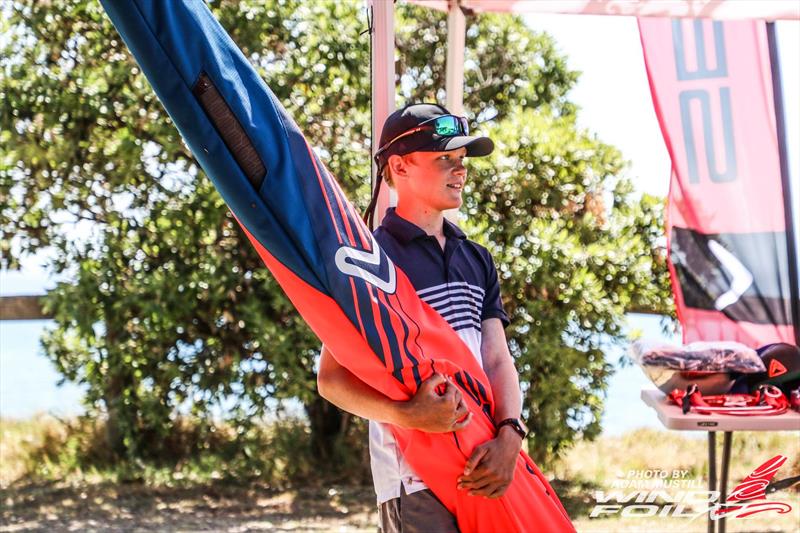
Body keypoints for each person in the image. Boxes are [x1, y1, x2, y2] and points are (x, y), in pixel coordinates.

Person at [317, 103, 529, 533]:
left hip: (486, 462)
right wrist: (408, 415)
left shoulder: (477, 258)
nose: (460, 170)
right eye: (444, 159)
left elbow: (497, 360)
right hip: (414, 480)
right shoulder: (371, 261)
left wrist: (510, 435)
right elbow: (331, 379)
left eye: (462, 160)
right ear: (400, 165)